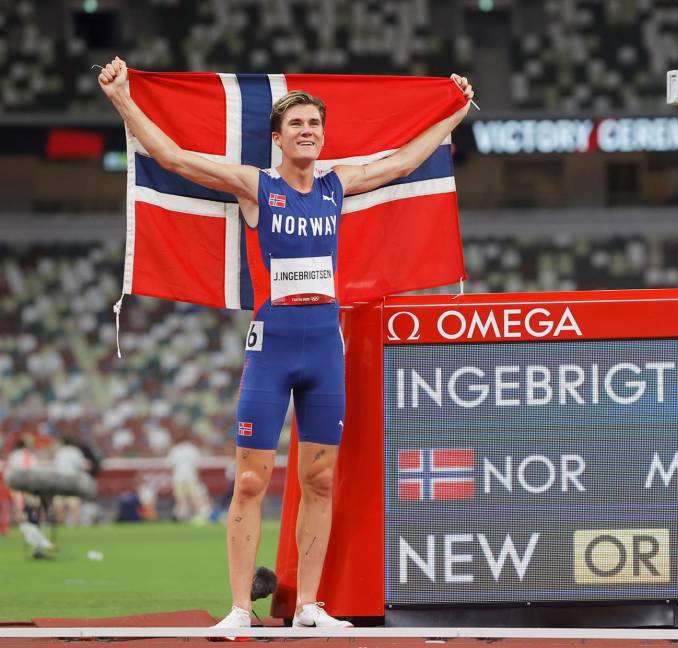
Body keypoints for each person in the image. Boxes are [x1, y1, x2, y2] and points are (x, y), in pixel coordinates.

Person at [98, 57, 475, 630]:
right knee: (250, 481)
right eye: (297, 124)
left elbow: (402, 162)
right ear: (278, 138)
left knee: (321, 480)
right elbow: (174, 158)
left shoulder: (336, 184)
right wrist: (124, 99)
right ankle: (237, 609)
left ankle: (308, 607)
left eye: (314, 125)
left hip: (326, 344)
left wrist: (454, 114)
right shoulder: (257, 185)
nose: (308, 132)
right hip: (272, 345)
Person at [166, 434, 209, 523]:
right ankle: (199, 517)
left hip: (178, 479)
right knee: (194, 498)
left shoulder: (175, 450)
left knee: (181, 500)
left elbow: (170, 466)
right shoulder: (192, 449)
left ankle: (183, 518)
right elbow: (198, 466)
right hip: (191, 478)